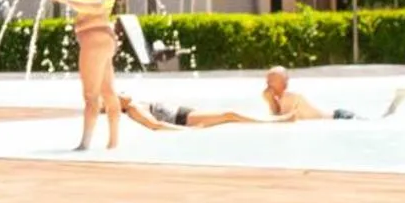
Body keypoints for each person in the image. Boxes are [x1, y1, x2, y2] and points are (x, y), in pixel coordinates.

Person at [47, 0, 119, 151]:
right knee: (108, 91)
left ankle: (85, 143)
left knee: (91, 95)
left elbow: (97, 5)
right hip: (101, 38)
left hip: (94, 38)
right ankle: (113, 142)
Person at [261, 67, 405, 122]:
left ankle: (397, 100)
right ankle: (397, 99)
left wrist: (270, 102)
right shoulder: (281, 99)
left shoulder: (291, 97)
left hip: (340, 118)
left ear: (283, 83)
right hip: (337, 117)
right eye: (268, 81)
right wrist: (271, 101)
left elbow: (284, 120)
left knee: (379, 121)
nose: (268, 85)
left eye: (271, 81)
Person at [115, 93, 292, 131]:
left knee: (228, 114)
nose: (122, 93)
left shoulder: (133, 103)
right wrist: (188, 130)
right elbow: (156, 125)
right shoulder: (133, 109)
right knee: (229, 114)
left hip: (185, 113)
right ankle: (274, 120)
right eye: (118, 95)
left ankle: (273, 118)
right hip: (184, 119)